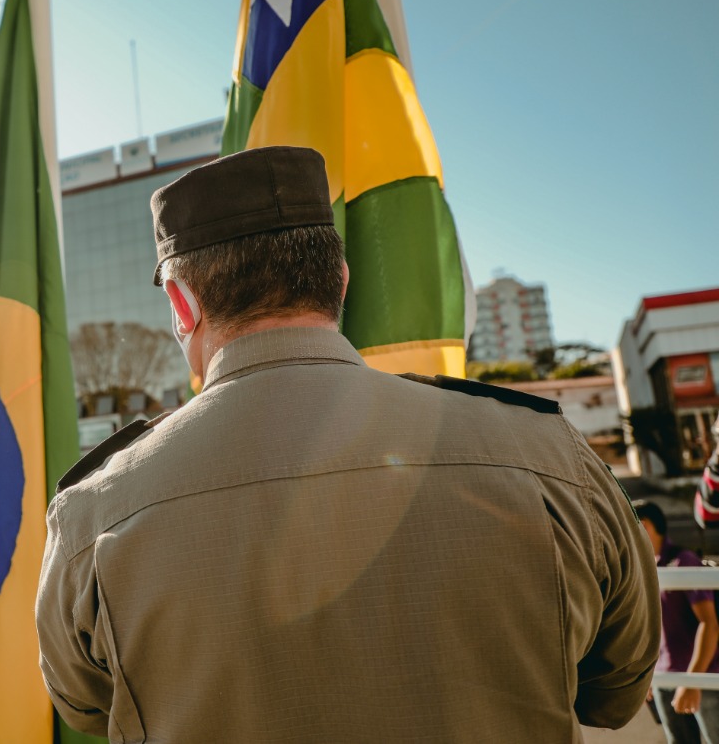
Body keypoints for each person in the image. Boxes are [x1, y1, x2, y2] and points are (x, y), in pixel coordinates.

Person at [35, 146, 660, 743]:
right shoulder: (548, 454)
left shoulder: (95, 509)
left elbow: (83, 704)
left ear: (182, 303)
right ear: (340, 279)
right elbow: (620, 687)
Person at [636, 499, 719, 743]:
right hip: (665, 677)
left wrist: (692, 681)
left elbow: (709, 624)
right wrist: (645, 676)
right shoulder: (644, 568)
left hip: (702, 678)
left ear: (645, 525)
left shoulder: (683, 562)